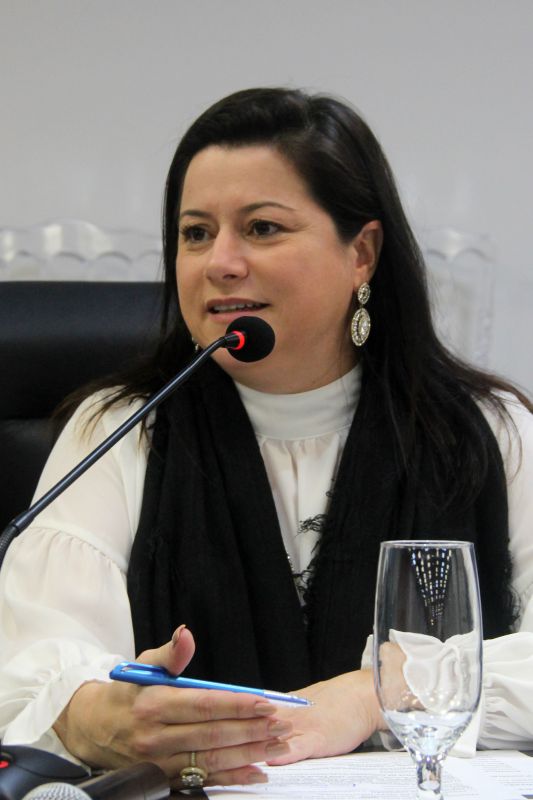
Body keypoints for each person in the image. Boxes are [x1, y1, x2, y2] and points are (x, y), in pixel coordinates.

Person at [1, 87, 532, 790]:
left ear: (362, 253)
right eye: (195, 233)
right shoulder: (122, 428)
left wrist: (374, 695)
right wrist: (96, 715)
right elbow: (33, 660)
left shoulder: (490, 431)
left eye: (261, 228)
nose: (219, 262)